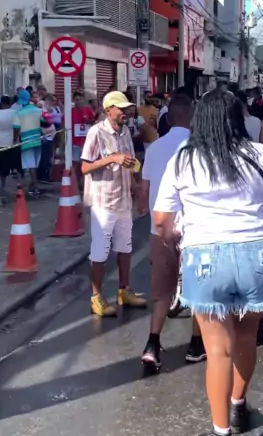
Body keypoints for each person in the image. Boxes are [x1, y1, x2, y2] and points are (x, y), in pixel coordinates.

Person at [153, 89, 263, 436]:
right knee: (247, 336)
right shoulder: (261, 154)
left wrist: (175, 240)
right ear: (239, 118)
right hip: (259, 256)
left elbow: (161, 221)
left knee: (218, 349)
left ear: (200, 119)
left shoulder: (183, 158)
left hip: (205, 258)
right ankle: (238, 404)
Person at [140, 94, 205, 369]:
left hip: (160, 229)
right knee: (196, 290)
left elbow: (144, 191)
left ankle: (152, 344)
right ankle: (195, 344)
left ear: (169, 117)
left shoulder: (154, 148)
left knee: (161, 292)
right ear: (192, 117)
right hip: (194, 230)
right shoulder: (199, 147)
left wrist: (145, 211)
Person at [81, 91, 147, 317]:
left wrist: (137, 191)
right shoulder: (96, 132)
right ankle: (96, 297)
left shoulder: (126, 132)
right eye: (121, 109)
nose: (125, 112)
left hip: (123, 199)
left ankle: (124, 290)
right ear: (108, 110)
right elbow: (85, 167)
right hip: (103, 201)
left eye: (126, 108)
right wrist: (112, 158)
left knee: (125, 247)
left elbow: (128, 165)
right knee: (100, 251)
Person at [13, 89, 43, 196]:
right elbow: (44, 122)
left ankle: (35, 187)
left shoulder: (18, 113)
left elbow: (16, 128)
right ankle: (33, 185)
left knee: (30, 164)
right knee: (35, 163)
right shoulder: (38, 110)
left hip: (26, 141)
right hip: (38, 139)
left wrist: (15, 140)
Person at [72, 90, 95, 189]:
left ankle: (84, 183)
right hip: (75, 141)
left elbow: (94, 120)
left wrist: (88, 121)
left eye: (80, 99)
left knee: (85, 163)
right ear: (73, 100)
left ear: (83, 100)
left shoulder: (87, 110)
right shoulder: (71, 111)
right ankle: (76, 183)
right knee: (76, 163)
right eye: (76, 99)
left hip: (86, 141)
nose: (78, 101)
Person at [37, 94, 56, 183]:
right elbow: (41, 122)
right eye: (52, 101)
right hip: (45, 136)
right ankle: (42, 176)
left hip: (49, 136)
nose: (53, 103)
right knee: (44, 157)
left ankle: (46, 175)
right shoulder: (41, 107)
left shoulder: (47, 108)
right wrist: (42, 135)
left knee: (48, 157)